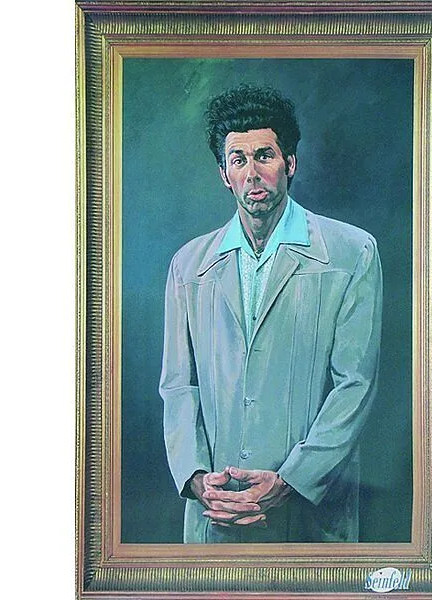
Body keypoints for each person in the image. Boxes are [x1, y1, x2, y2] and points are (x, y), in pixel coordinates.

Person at [159, 84, 383, 543]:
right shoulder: (188, 265)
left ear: (290, 163)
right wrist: (197, 480)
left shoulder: (352, 252)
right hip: (217, 514)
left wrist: (291, 480)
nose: (253, 173)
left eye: (264, 155)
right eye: (238, 160)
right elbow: (179, 386)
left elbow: (355, 386)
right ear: (224, 174)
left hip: (311, 519)